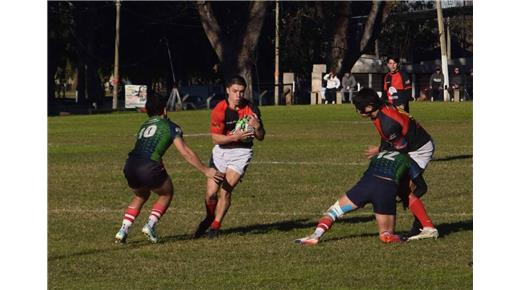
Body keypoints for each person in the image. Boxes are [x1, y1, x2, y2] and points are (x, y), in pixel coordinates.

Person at [114, 93, 224, 244]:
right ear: (164, 110)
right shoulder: (170, 126)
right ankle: (150, 225)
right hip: (149, 166)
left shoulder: (144, 125)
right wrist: (206, 170)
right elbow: (185, 152)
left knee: (140, 195)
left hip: (130, 165)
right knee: (166, 193)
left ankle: (123, 229)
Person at [352, 88, 439, 240]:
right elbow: (386, 137)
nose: (358, 111)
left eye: (359, 107)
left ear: (369, 106)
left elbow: (402, 149)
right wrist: (381, 148)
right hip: (412, 145)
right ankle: (421, 226)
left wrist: (380, 150)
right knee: (406, 189)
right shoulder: (381, 110)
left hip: (418, 149)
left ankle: (426, 227)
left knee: (409, 189)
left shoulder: (388, 123)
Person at [193, 75, 266, 239]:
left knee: (225, 191)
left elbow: (261, 136)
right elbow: (216, 139)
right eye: (235, 91)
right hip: (221, 152)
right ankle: (210, 217)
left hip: (242, 153)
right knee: (211, 193)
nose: (239, 95)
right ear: (228, 91)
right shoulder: (219, 110)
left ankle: (215, 227)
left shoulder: (252, 109)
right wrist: (236, 136)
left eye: (241, 92)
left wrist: (258, 126)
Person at [295, 150, 414, 245]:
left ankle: (315, 236)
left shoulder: (379, 154)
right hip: (385, 189)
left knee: (333, 211)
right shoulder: (408, 159)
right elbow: (411, 184)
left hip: (365, 185)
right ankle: (400, 237)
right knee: (386, 233)